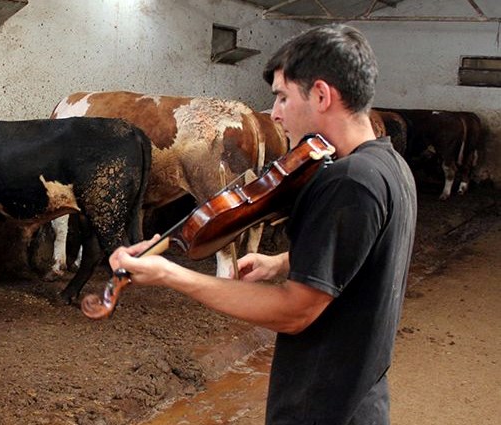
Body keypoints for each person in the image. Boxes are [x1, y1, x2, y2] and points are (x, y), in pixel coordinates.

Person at [108, 24, 417, 425]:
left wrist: (172, 275)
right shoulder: (387, 163)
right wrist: (287, 261)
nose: (274, 114)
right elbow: (371, 248)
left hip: (322, 407)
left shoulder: (349, 181)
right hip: (360, 397)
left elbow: (295, 311)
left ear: (322, 95)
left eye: (283, 97)